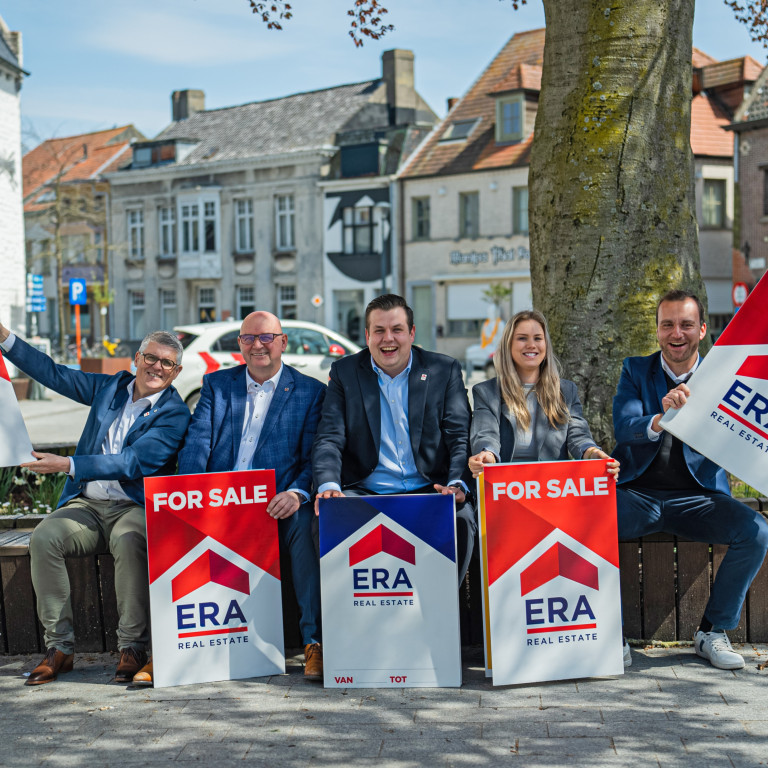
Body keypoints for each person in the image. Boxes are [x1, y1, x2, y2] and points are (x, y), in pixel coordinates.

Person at [0, 323, 189, 685]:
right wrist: (4, 337)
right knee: (44, 537)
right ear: (137, 359)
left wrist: (68, 464)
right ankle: (60, 648)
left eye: (167, 363)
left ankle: (132, 646)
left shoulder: (175, 414)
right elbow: (54, 374)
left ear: (176, 371)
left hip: (133, 508)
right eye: (150, 358)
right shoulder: (111, 388)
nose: (157, 368)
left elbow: (133, 462)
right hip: (86, 505)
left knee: (130, 540)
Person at [613, 289, 768, 670]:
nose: (676, 333)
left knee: (757, 531)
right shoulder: (635, 369)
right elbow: (624, 427)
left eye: (685, 325)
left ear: (701, 330)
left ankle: (712, 632)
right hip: (637, 494)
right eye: (667, 325)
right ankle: (606, 633)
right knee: (583, 525)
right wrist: (659, 416)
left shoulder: (725, 379)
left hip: (699, 499)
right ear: (657, 331)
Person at [172, 311, 326, 684]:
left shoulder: (310, 392)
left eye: (266, 337)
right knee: (165, 530)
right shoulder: (216, 385)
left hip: (276, 505)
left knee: (307, 525)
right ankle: (168, 647)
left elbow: (314, 458)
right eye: (248, 338)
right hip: (221, 503)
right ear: (239, 344)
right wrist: (191, 495)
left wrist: (297, 492)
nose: (257, 345)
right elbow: (197, 445)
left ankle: (314, 644)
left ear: (283, 342)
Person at [467, 311, 625, 665]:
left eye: (537, 338)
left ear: (546, 344)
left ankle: (592, 635)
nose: (530, 345)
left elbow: (578, 435)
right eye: (522, 338)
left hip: (553, 498)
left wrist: (593, 453)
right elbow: (484, 433)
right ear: (509, 346)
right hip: (506, 501)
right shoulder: (486, 392)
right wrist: (486, 456)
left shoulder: (564, 390)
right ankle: (505, 642)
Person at [313, 294, 475, 582]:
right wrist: (329, 484)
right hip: (364, 491)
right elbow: (329, 437)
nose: (388, 339)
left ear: (411, 333)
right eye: (379, 331)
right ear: (367, 335)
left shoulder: (443, 370)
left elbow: (459, 436)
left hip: (430, 489)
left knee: (461, 519)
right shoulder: (345, 372)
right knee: (321, 521)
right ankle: (343, 623)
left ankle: (448, 614)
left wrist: (456, 482)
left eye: (397, 329)